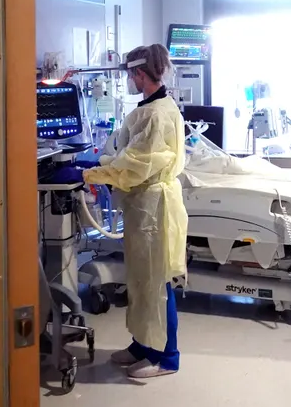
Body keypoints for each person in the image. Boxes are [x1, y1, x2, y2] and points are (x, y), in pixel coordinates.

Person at [82, 44, 188, 379]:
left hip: (154, 209)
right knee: (141, 282)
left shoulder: (157, 114)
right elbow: (130, 154)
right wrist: (101, 164)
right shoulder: (148, 109)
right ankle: (142, 345)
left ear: (139, 74)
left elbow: (136, 165)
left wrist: (92, 172)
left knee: (157, 284)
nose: (129, 80)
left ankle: (166, 357)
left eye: (130, 74)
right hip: (142, 209)